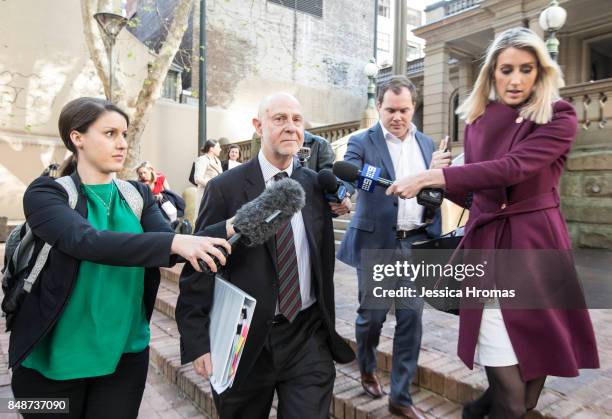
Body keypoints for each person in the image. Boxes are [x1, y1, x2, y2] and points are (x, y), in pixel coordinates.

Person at [386, 27, 599, 418]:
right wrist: (442, 183)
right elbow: (480, 196)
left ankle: (475, 411)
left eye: (526, 69)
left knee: (532, 387)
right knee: (513, 401)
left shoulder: (558, 116)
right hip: (488, 255)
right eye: (506, 69)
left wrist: (437, 177)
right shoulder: (478, 121)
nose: (515, 79)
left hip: (538, 252)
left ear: (540, 72)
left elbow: (514, 168)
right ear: (491, 74)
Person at [9, 97, 230, 419]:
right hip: (47, 363)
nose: (122, 143)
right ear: (77, 137)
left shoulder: (138, 195)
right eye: (110, 133)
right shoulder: (45, 193)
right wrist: (175, 241)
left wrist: (230, 226)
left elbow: (165, 246)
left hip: (125, 356)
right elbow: (84, 241)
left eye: (124, 135)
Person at [175, 92, 355, 419]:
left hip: (306, 334)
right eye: (280, 119)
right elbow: (200, 263)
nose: (290, 127)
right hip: (243, 340)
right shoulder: (225, 188)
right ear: (258, 126)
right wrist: (197, 339)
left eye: (297, 120)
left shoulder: (315, 186)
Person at [336, 75, 444, 419]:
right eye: (391, 109)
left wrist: (441, 176)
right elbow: (347, 172)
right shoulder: (362, 141)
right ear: (380, 107)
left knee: (411, 317)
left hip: (416, 241)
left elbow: (437, 190)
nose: (398, 116)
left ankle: (400, 397)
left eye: (405, 110)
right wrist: (347, 192)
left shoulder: (427, 145)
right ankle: (367, 367)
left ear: (414, 108)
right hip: (378, 245)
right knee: (373, 317)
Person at [193, 139, 222, 217]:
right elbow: (198, 178)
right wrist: (213, 185)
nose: (220, 149)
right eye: (218, 147)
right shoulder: (202, 159)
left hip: (216, 195)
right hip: (205, 194)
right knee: (203, 219)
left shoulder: (218, 161)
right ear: (211, 149)